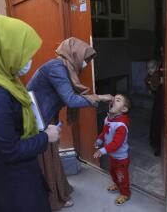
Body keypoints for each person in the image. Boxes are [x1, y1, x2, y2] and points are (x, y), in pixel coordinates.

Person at [0, 14, 60, 212]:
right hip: (13, 181)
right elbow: (10, 151)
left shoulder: (0, 82)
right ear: (2, 49)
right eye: (23, 53)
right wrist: (45, 137)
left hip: (11, 174)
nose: (29, 60)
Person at [27, 37, 113, 210]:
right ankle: (52, 199)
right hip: (38, 120)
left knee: (51, 157)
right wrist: (100, 97)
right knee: (46, 160)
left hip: (46, 117)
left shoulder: (65, 68)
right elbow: (71, 100)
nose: (85, 64)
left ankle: (59, 191)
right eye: (85, 59)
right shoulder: (56, 68)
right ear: (74, 54)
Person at [93, 94, 132, 205]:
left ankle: (125, 193)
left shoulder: (121, 125)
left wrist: (102, 150)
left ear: (124, 109)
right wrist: (99, 140)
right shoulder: (108, 118)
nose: (113, 100)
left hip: (121, 158)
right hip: (112, 156)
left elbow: (116, 144)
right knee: (113, 172)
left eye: (118, 100)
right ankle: (116, 184)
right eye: (114, 99)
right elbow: (105, 131)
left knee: (122, 176)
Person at [145, 59, 164, 156]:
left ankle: (160, 146)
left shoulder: (158, 75)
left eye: (152, 68)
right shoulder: (151, 77)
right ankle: (157, 145)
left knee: (159, 123)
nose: (149, 70)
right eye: (148, 68)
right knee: (156, 122)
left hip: (161, 102)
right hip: (157, 102)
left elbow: (155, 87)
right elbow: (151, 88)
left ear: (156, 68)